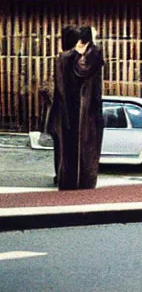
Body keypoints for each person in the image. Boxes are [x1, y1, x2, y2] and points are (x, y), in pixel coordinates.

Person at [47, 25, 104, 190]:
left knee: (66, 152)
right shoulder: (82, 59)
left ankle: (68, 181)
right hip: (81, 114)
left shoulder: (64, 59)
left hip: (68, 115)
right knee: (81, 151)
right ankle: (78, 184)